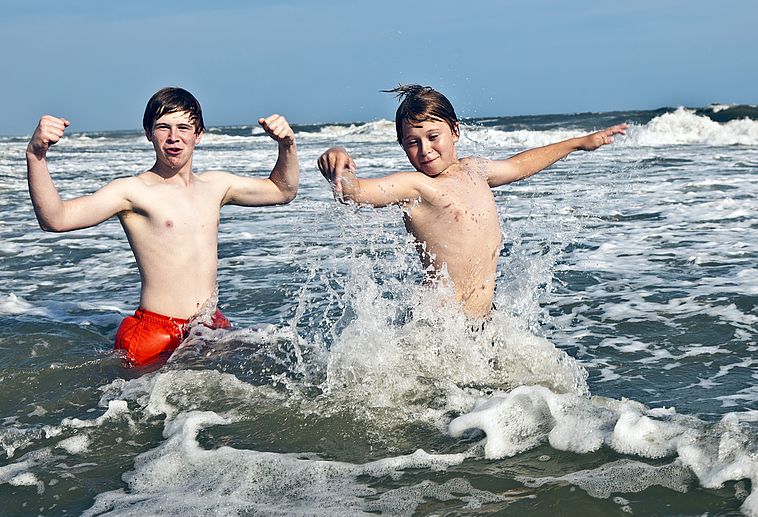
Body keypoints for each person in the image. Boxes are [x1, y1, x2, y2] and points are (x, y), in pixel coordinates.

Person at [26, 87, 299, 366]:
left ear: (199, 134)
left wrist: (286, 144)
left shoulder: (216, 186)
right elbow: (55, 219)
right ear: (148, 133)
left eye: (184, 127)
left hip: (207, 326)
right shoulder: (132, 190)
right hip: (154, 333)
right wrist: (36, 156)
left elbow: (282, 190)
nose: (174, 137)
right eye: (163, 127)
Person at [317, 84, 627, 318]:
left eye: (432, 136)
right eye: (412, 143)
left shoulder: (475, 169)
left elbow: (520, 166)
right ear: (402, 146)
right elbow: (355, 193)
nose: (424, 150)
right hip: (440, 329)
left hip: (483, 323)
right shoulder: (416, 186)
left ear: (454, 131)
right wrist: (339, 164)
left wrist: (579, 143)